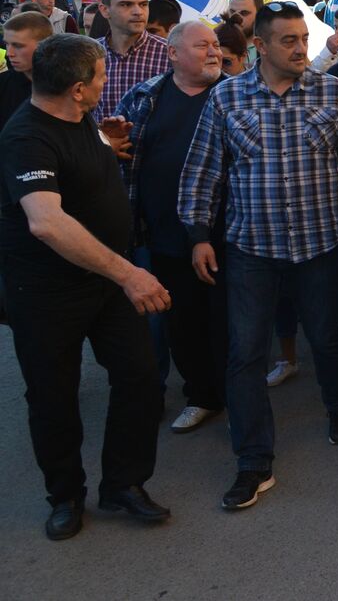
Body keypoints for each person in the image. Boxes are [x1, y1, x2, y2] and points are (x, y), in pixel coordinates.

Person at [178, 1, 338, 512]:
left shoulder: (333, 92)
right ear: (259, 45)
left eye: (304, 37)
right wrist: (198, 234)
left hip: (321, 244)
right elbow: (203, 171)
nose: (301, 47)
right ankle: (254, 460)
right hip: (250, 249)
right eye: (288, 40)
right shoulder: (227, 99)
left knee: (326, 338)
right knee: (246, 353)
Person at [0, 34, 171, 540]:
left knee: (140, 378)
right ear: (77, 88)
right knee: (53, 395)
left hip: (105, 286)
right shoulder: (26, 137)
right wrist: (128, 273)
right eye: (99, 77)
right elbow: (46, 223)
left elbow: (82, 168)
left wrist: (105, 140)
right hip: (48, 293)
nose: (105, 84)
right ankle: (65, 495)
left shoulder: (81, 120)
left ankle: (122, 484)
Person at [113, 21, 229, 434]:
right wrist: (111, 145)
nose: (214, 51)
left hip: (229, 234)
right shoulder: (145, 97)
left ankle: (238, 395)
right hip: (164, 235)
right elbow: (115, 150)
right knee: (182, 322)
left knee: (230, 321)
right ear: (174, 54)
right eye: (202, 46)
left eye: (216, 45)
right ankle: (202, 396)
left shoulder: (238, 94)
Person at [93, 0, 170, 123]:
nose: (138, 12)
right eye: (126, 4)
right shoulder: (89, 55)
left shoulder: (169, 54)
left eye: (143, 4)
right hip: (100, 144)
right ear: (104, 10)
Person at [1, 12, 51, 131]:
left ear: (44, 45)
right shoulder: (3, 85)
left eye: (18, 46)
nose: (9, 53)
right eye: (7, 44)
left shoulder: (64, 85)